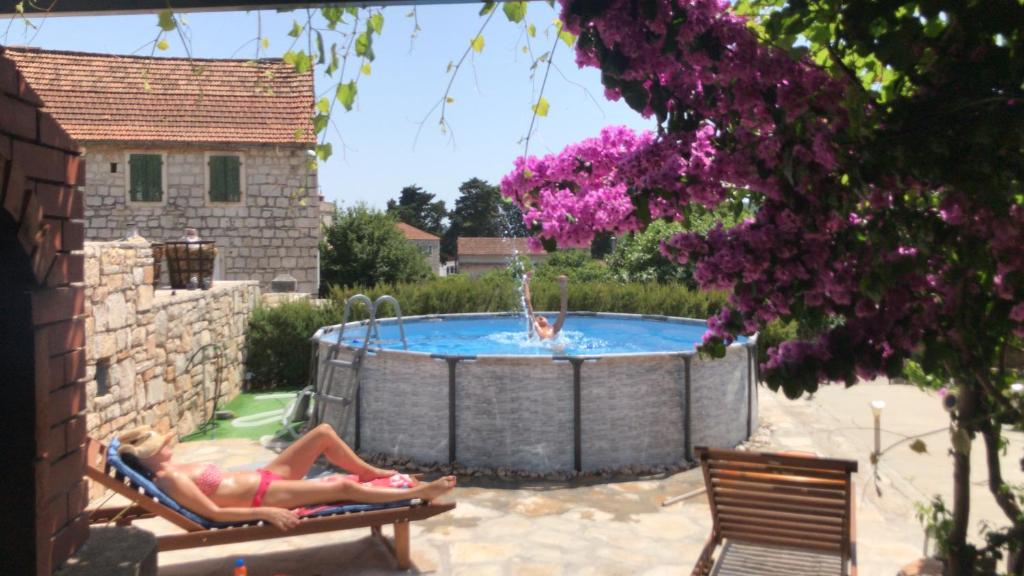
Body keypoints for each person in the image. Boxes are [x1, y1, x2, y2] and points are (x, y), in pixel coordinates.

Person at [117, 423, 456, 531]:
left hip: (264, 477)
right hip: (262, 497)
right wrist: (264, 512)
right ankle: (420, 492)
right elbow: (214, 514)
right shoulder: (168, 479)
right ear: (150, 457)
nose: (168, 445)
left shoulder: (170, 470)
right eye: (162, 445)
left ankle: (372, 472)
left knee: (322, 433)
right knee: (339, 486)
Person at [523, 272, 568, 340]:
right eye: (537, 317)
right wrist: (526, 283)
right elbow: (527, 301)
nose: (540, 316)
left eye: (542, 316)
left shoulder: (554, 328)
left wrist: (563, 287)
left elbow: (563, 310)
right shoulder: (535, 327)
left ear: (548, 322)